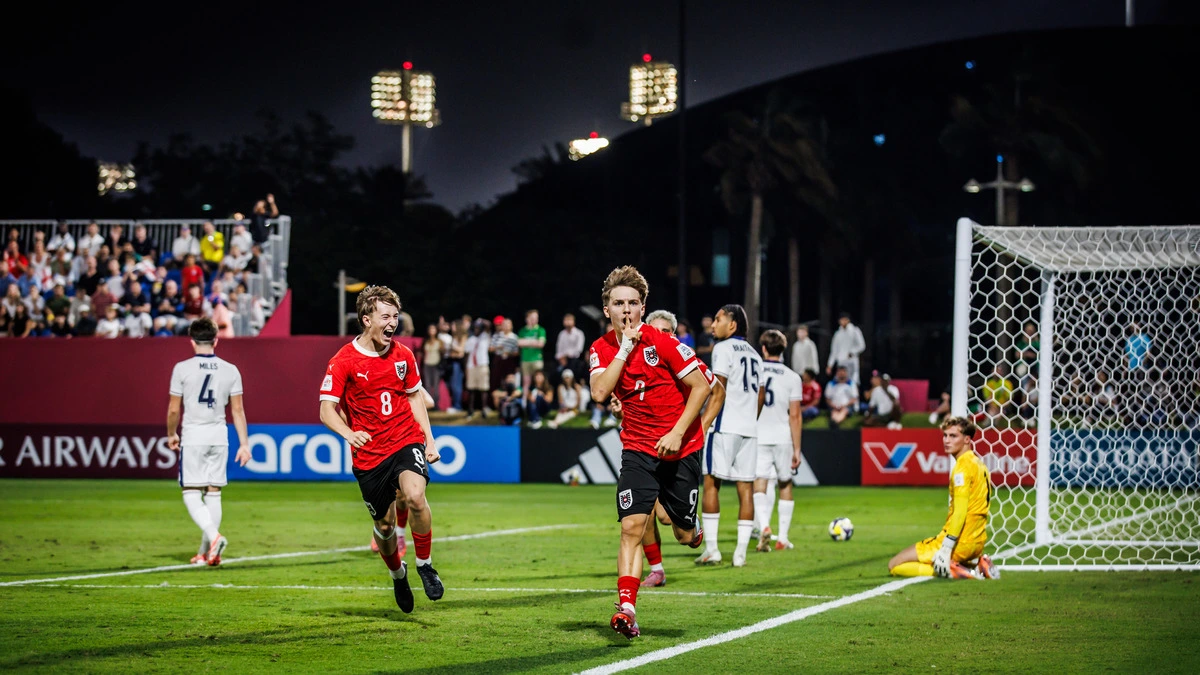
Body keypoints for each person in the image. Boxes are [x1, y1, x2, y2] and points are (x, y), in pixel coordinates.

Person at [588, 266, 711, 639]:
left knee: (682, 534)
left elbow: (702, 386)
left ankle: (693, 527)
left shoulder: (664, 342)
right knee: (631, 527)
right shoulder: (601, 348)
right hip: (637, 449)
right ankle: (627, 609)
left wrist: (677, 432)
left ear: (643, 307)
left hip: (680, 448)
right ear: (606, 309)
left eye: (632, 303)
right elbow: (599, 392)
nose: (626, 310)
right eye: (618, 303)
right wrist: (624, 349)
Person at [318, 285, 443, 613]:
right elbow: (326, 410)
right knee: (385, 526)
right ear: (366, 319)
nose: (393, 323)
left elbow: (416, 398)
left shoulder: (403, 354)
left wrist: (429, 440)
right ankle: (398, 575)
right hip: (370, 455)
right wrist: (348, 433)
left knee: (415, 496)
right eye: (386, 316)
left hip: (404, 439)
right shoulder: (343, 360)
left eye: (395, 316)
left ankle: (426, 565)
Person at [636, 309, 721, 588]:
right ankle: (656, 569)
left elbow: (717, 390)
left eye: (664, 332)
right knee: (642, 511)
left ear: (673, 335)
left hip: (681, 449)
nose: (658, 336)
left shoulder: (684, 357)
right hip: (646, 446)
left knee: (677, 529)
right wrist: (617, 411)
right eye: (654, 331)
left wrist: (701, 427)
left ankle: (692, 527)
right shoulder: (638, 359)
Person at [166, 318, 251, 566]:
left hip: (194, 436)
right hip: (219, 436)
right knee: (213, 493)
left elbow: (174, 409)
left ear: (191, 342)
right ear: (216, 340)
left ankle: (214, 538)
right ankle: (206, 553)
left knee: (191, 491)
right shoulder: (231, 369)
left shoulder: (182, 368)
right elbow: (238, 411)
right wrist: (244, 444)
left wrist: (171, 434)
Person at [888, 417, 1000, 580]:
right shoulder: (979, 464)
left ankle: (951, 571)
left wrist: (946, 547)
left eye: (953, 436)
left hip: (958, 543)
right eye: (945, 435)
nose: (947, 440)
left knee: (895, 565)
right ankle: (978, 566)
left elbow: (960, 512)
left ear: (967, 439)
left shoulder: (962, 468)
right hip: (977, 543)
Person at [698, 304, 762, 568]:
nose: (713, 324)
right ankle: (740, 554)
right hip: (749, 429)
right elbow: (759, 396)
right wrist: (750, 420)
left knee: (711, 484)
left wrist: (703, 424)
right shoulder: (755, 354)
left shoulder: (722, 348)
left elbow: (718, 389)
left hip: (724, 427)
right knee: (746, 489)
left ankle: (712, 549)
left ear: (732, 325)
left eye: (718, 319)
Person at [752, 329, 804, 552]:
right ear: (783, 350)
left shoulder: (755, 372)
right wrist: (797, 449)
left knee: (760, 482)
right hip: (783, 437)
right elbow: (795, 415)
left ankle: (764, 525)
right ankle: (782, 538)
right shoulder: (792, 377)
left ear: (763, 349)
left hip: (759, 435)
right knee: (785, 483)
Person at [826, 312, 865, 385]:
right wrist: (830, 365)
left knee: (853, 383)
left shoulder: (855, 330)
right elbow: (834, 351)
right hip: (841, 362)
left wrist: (852, 352)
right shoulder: (837, 334)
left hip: (851, 361)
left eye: (844, 319)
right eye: (841, 320)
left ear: (848, 320)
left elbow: (862, 345)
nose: (842, 321)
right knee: (840, 382)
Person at [464, 318, 492, 418]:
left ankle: (484, 408)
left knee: (483, 388)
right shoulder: (470, 339)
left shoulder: (485, 337)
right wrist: (466, 368)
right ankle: (470, 410)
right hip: (472, 366)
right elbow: (466, 355)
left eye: (479, 328)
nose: (477, 329)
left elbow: (489, 325)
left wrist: (482, 321)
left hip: (482, 365)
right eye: (475, 327)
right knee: (471, 389)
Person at [517, 309, 547, 386]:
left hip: (537, 359)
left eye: (536, 318)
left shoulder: (540, 330)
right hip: (525, 359)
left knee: (539, 380)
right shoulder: (522, 331)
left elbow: (541, 344)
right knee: (526, 381)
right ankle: (526, 394)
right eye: (533, 318)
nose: (535, 320)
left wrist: (526, 342)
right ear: (527, 319)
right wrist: (534, 341)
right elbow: (519, 343)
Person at [554, 313, 586, 383]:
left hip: (574, 360)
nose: (568, 322)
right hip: (562, 360)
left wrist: (567, 355)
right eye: (566, 320)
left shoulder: (579, 333)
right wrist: (561, 358)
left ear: (574, 322)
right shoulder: (562, 334)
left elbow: (579, 349)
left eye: (569, 320)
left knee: (575, 367)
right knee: (556, 373)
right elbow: (558, 349)